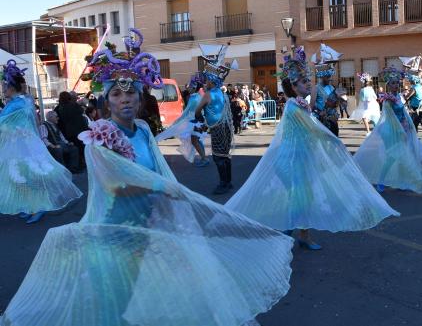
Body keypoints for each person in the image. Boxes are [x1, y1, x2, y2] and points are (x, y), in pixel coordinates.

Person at [1, 30, 294, 325]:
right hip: (119, 226)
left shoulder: (141, 128)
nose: (125, 99)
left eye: (131, 92)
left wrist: (169, 204)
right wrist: (164, 189)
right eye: (116, 93)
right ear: (107, 100)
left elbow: (156, 166)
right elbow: (113, 185)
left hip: (152, 219)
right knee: (119, 293)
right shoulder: (100, 137)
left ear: (141, 97)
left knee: (152, 285)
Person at [226, 47, 398, 250]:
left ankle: (295, 235)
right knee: (301, 198)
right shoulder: (292, 106)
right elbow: (314, 130)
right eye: (305, 82)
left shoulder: (299, 105)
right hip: (290, 161)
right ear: (294, 86)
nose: (309, 84)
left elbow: (312, 128)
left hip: (299, 158)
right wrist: (334, 142)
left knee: (303, 197)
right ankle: (289, 235)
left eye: (309, 81)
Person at [0, 60, 82, 224]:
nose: (2, 89)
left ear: (11, 87)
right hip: (25, 143)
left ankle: (39, 206)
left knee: (25, 176)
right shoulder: (25, 100)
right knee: (23, 176)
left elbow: (4, 123)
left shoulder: (16, 104)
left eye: (4, 86)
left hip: (20, 146)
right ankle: (31, 206)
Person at [354, 66, 422, 195]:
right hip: (391, 130)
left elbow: (403, 112)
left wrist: (408, 125)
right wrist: (399, 130)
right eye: (393, 83)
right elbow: (389, 117)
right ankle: (381, 181)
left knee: (403, 155)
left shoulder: (398, 96)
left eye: (396, 83)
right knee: (391, 157)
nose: (395, 85)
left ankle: (402, 181)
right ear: (388, 85)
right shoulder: (388, 99)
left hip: (402, 128)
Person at [195, 49, 235, 195]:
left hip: (217, 128)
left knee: (218, 156)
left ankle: (223, 183)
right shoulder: (222, 93)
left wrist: (200, 117)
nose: (205, 82)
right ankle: (228, 182)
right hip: (226, 127)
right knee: (225, 155)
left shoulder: (208, 95)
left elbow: (197, 110)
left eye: (207, 80)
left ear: (211, 81)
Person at [156, 74, 210, 167]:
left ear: (194, 87)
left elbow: (186, 112)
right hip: (198, 121)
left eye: (191, 86)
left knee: (195, 141)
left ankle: (204, 158)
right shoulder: (198, 96)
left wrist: (177, 122)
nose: (188, 88)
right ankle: (203, 157)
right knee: (196, 140)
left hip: (195, 121)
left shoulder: (194, 98)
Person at [313, 60, 340, 136]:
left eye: (330, 76)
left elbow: (334, 102)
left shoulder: (331, 87)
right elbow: (311, 106)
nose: (330, 78)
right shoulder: (316, 88)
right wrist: (319, 112)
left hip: (332, 120)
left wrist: (337, 102)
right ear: (322, 76)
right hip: (321, 120)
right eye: (328, 77)